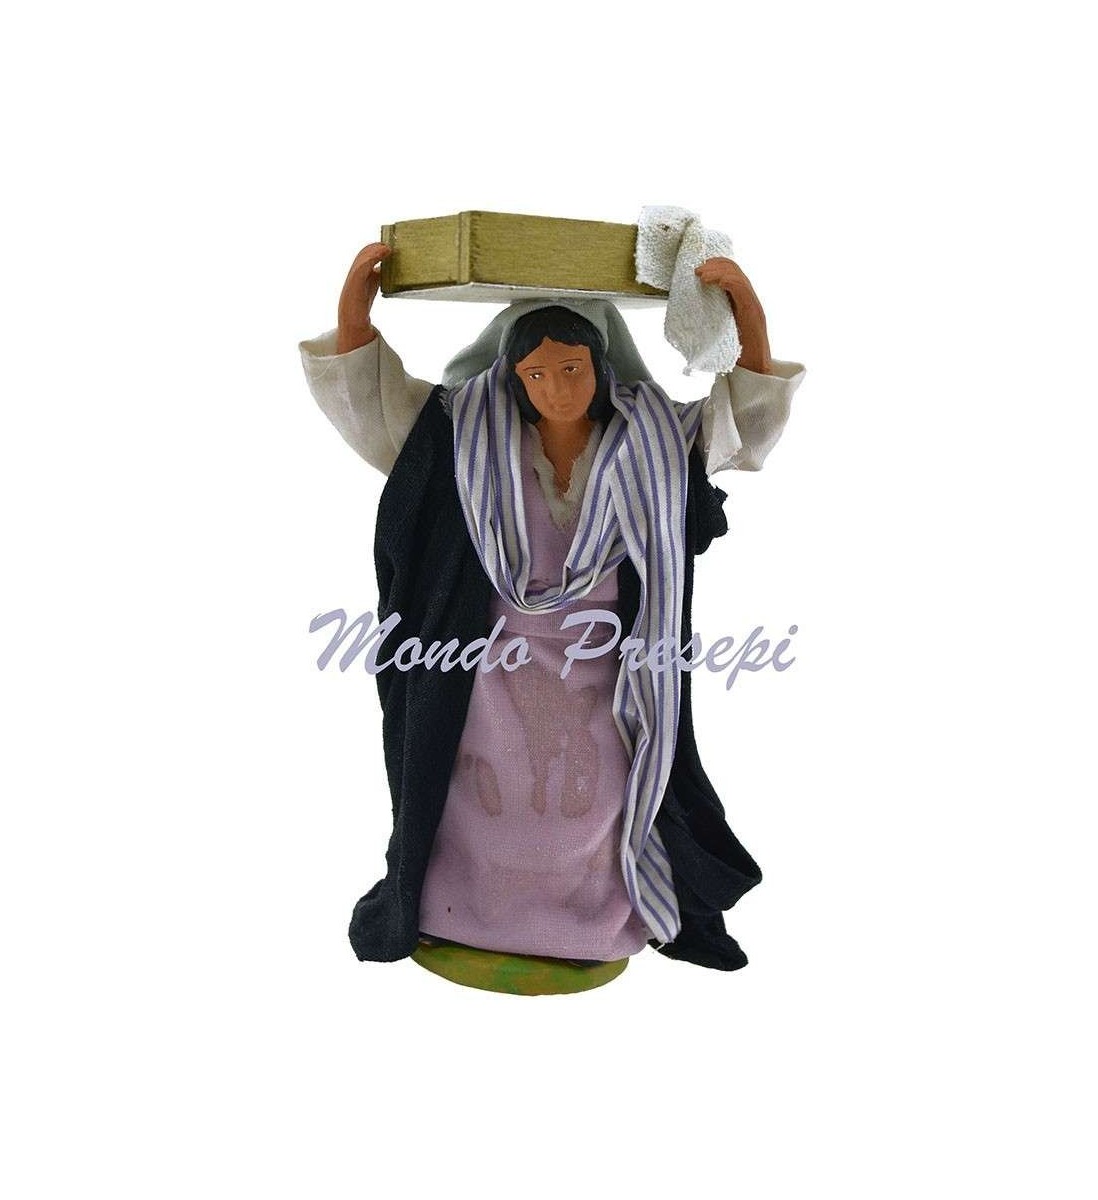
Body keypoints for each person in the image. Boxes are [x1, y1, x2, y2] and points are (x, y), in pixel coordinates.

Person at [299, 242, 805, 985]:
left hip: (608, 680)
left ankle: (590, 921)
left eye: (572, 369)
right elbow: (371, 405)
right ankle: (460, 916)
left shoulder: (652, 442)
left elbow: (743, 425)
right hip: (483, 677)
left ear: (600, 369)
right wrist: (353, 309)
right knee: (476, 803)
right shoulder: (464, 434)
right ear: (513, 376)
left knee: (593, 808)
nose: (557, 389)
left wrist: (747, 313)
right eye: (537, 374)